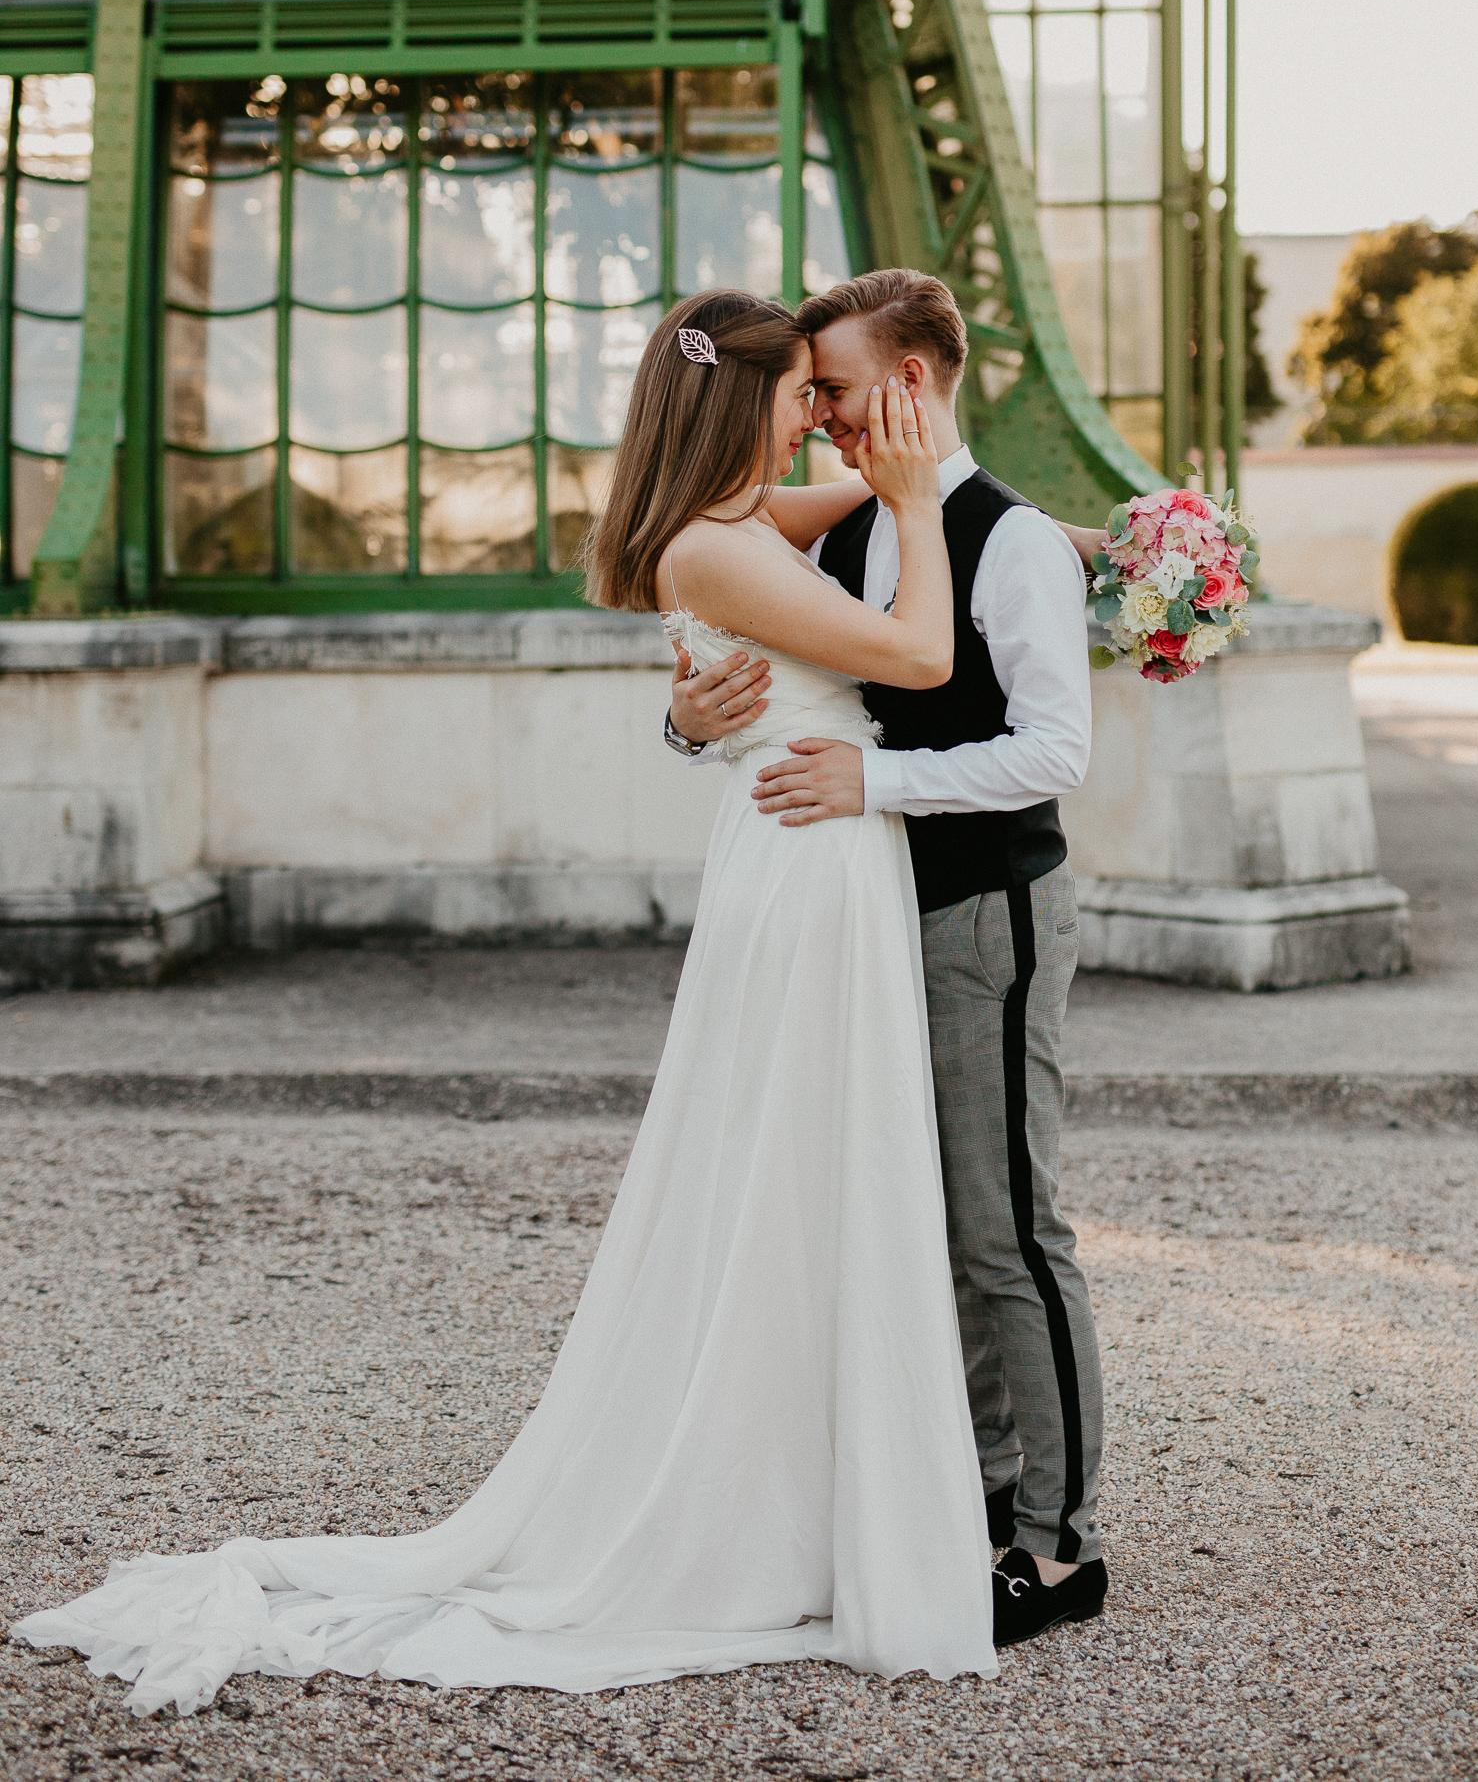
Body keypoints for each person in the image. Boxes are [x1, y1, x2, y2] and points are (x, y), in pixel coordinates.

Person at [17, 290, 998, 1713]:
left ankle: (817, 1485)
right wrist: (909, 510)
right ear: (746, 405)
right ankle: (775, 1512)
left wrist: (1089, 545)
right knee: (795, 1171)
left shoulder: (742, 523)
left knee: (811, 1175)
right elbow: (917, 654)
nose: (820, 417)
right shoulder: (711, 548)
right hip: (810, 863)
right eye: (799, 395)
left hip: (810, 852)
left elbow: (926, 490)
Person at [668, 269, 1108, 1649]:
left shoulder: (1011, 541)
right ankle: (966, 1505)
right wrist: (692, 724)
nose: (825, 424)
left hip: (982, 911)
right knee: (911, 1227)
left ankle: (1057, 1545)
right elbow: (756, 663)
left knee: (1005, 1231)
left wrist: (875, 788)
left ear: (911, 387)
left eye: (841, 394)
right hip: (854, 921)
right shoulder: (858, 524)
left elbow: (1056, 754)